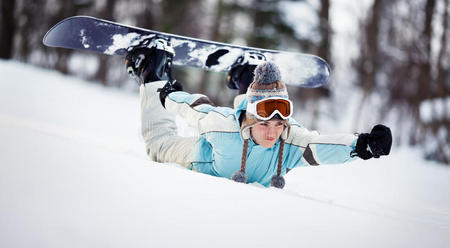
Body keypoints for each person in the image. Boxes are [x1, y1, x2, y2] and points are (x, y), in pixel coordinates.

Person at [125, 42, 392, 189]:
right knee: (158, 146)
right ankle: (152, 65)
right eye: (264, 123)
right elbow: (196, 109)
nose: (272, 131)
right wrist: (166, 93)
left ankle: (246, 74)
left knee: (273, 121)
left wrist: (363, 145)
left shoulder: (289, 142)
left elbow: (321, 146)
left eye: (278, 123)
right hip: (197, 157)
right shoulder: (223, 126)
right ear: (249, 118)